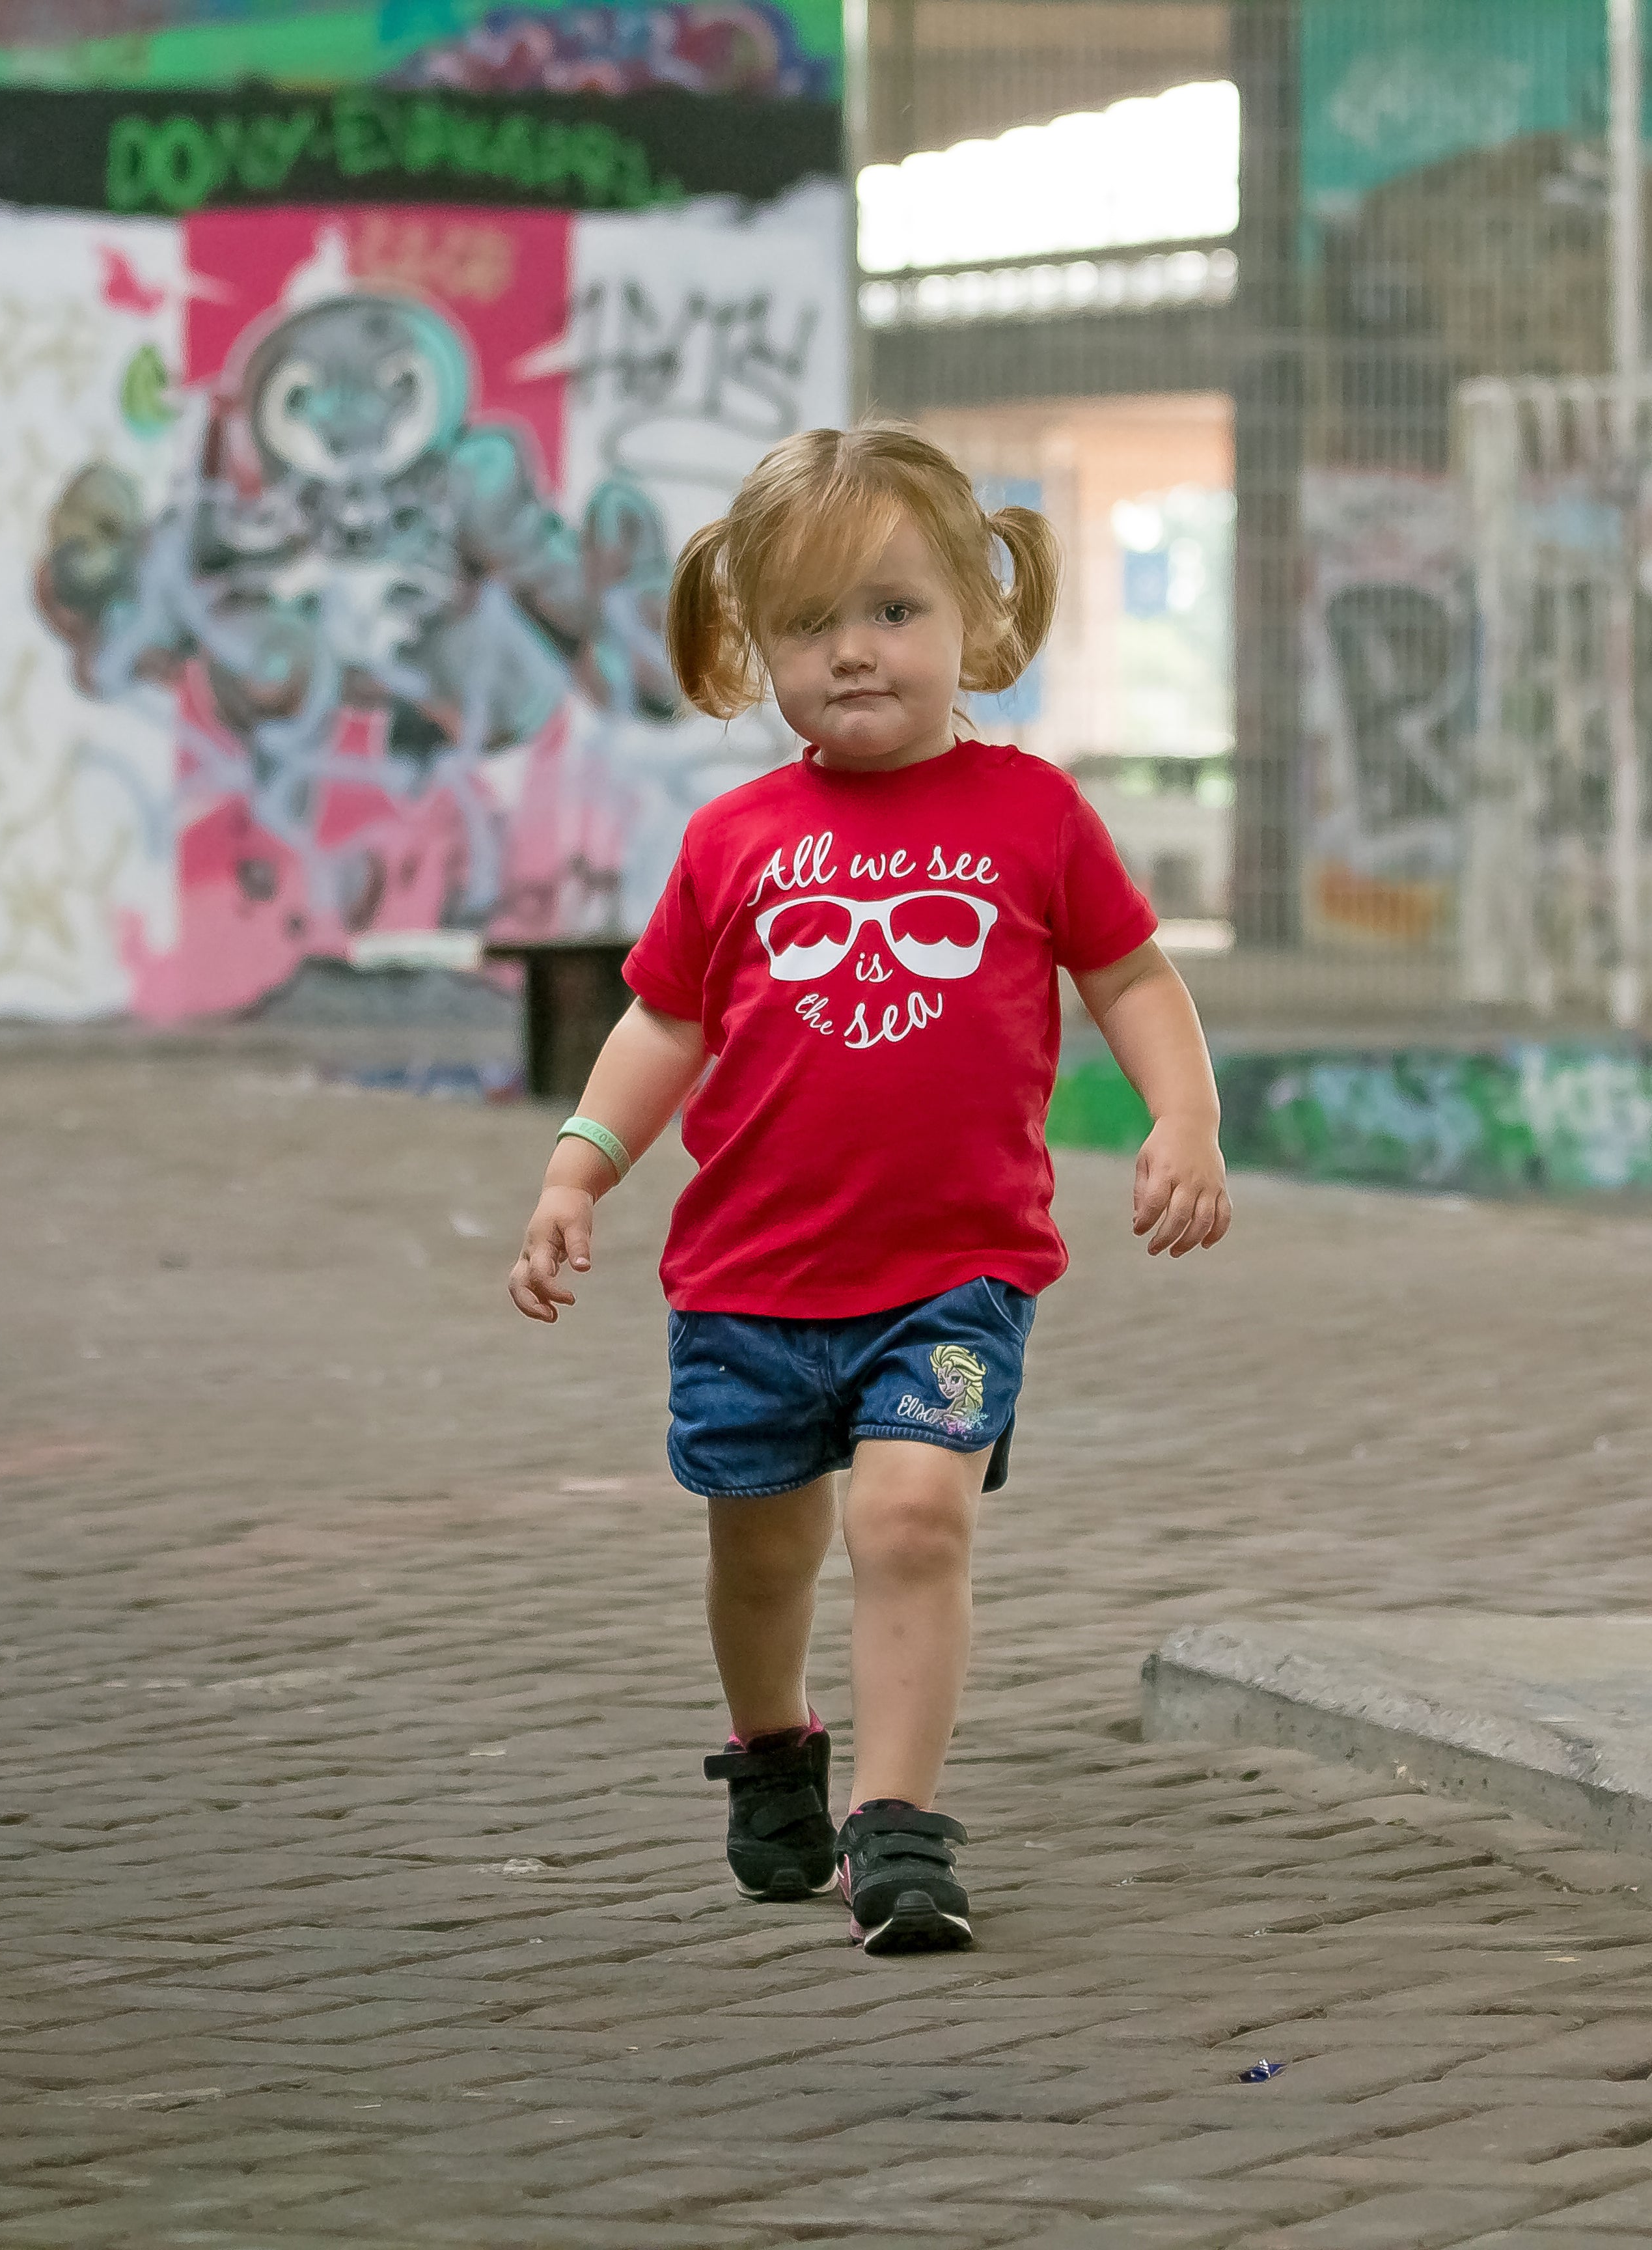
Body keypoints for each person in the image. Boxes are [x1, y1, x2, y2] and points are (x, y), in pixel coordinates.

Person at [506, 424, 1231, 1954]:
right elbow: (665, 1021)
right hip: (749, 1285)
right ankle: (773, 1744)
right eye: (807, 624)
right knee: (763, 1545)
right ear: (752, 644)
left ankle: (897, 1828)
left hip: (954, 1272)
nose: (853, 653)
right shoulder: (736, 841)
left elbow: (1134, 974)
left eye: (894, 613)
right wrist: (582, 1166)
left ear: (978, 616)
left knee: (910, 1521)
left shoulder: (1033, 816)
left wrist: (1184, 1121)